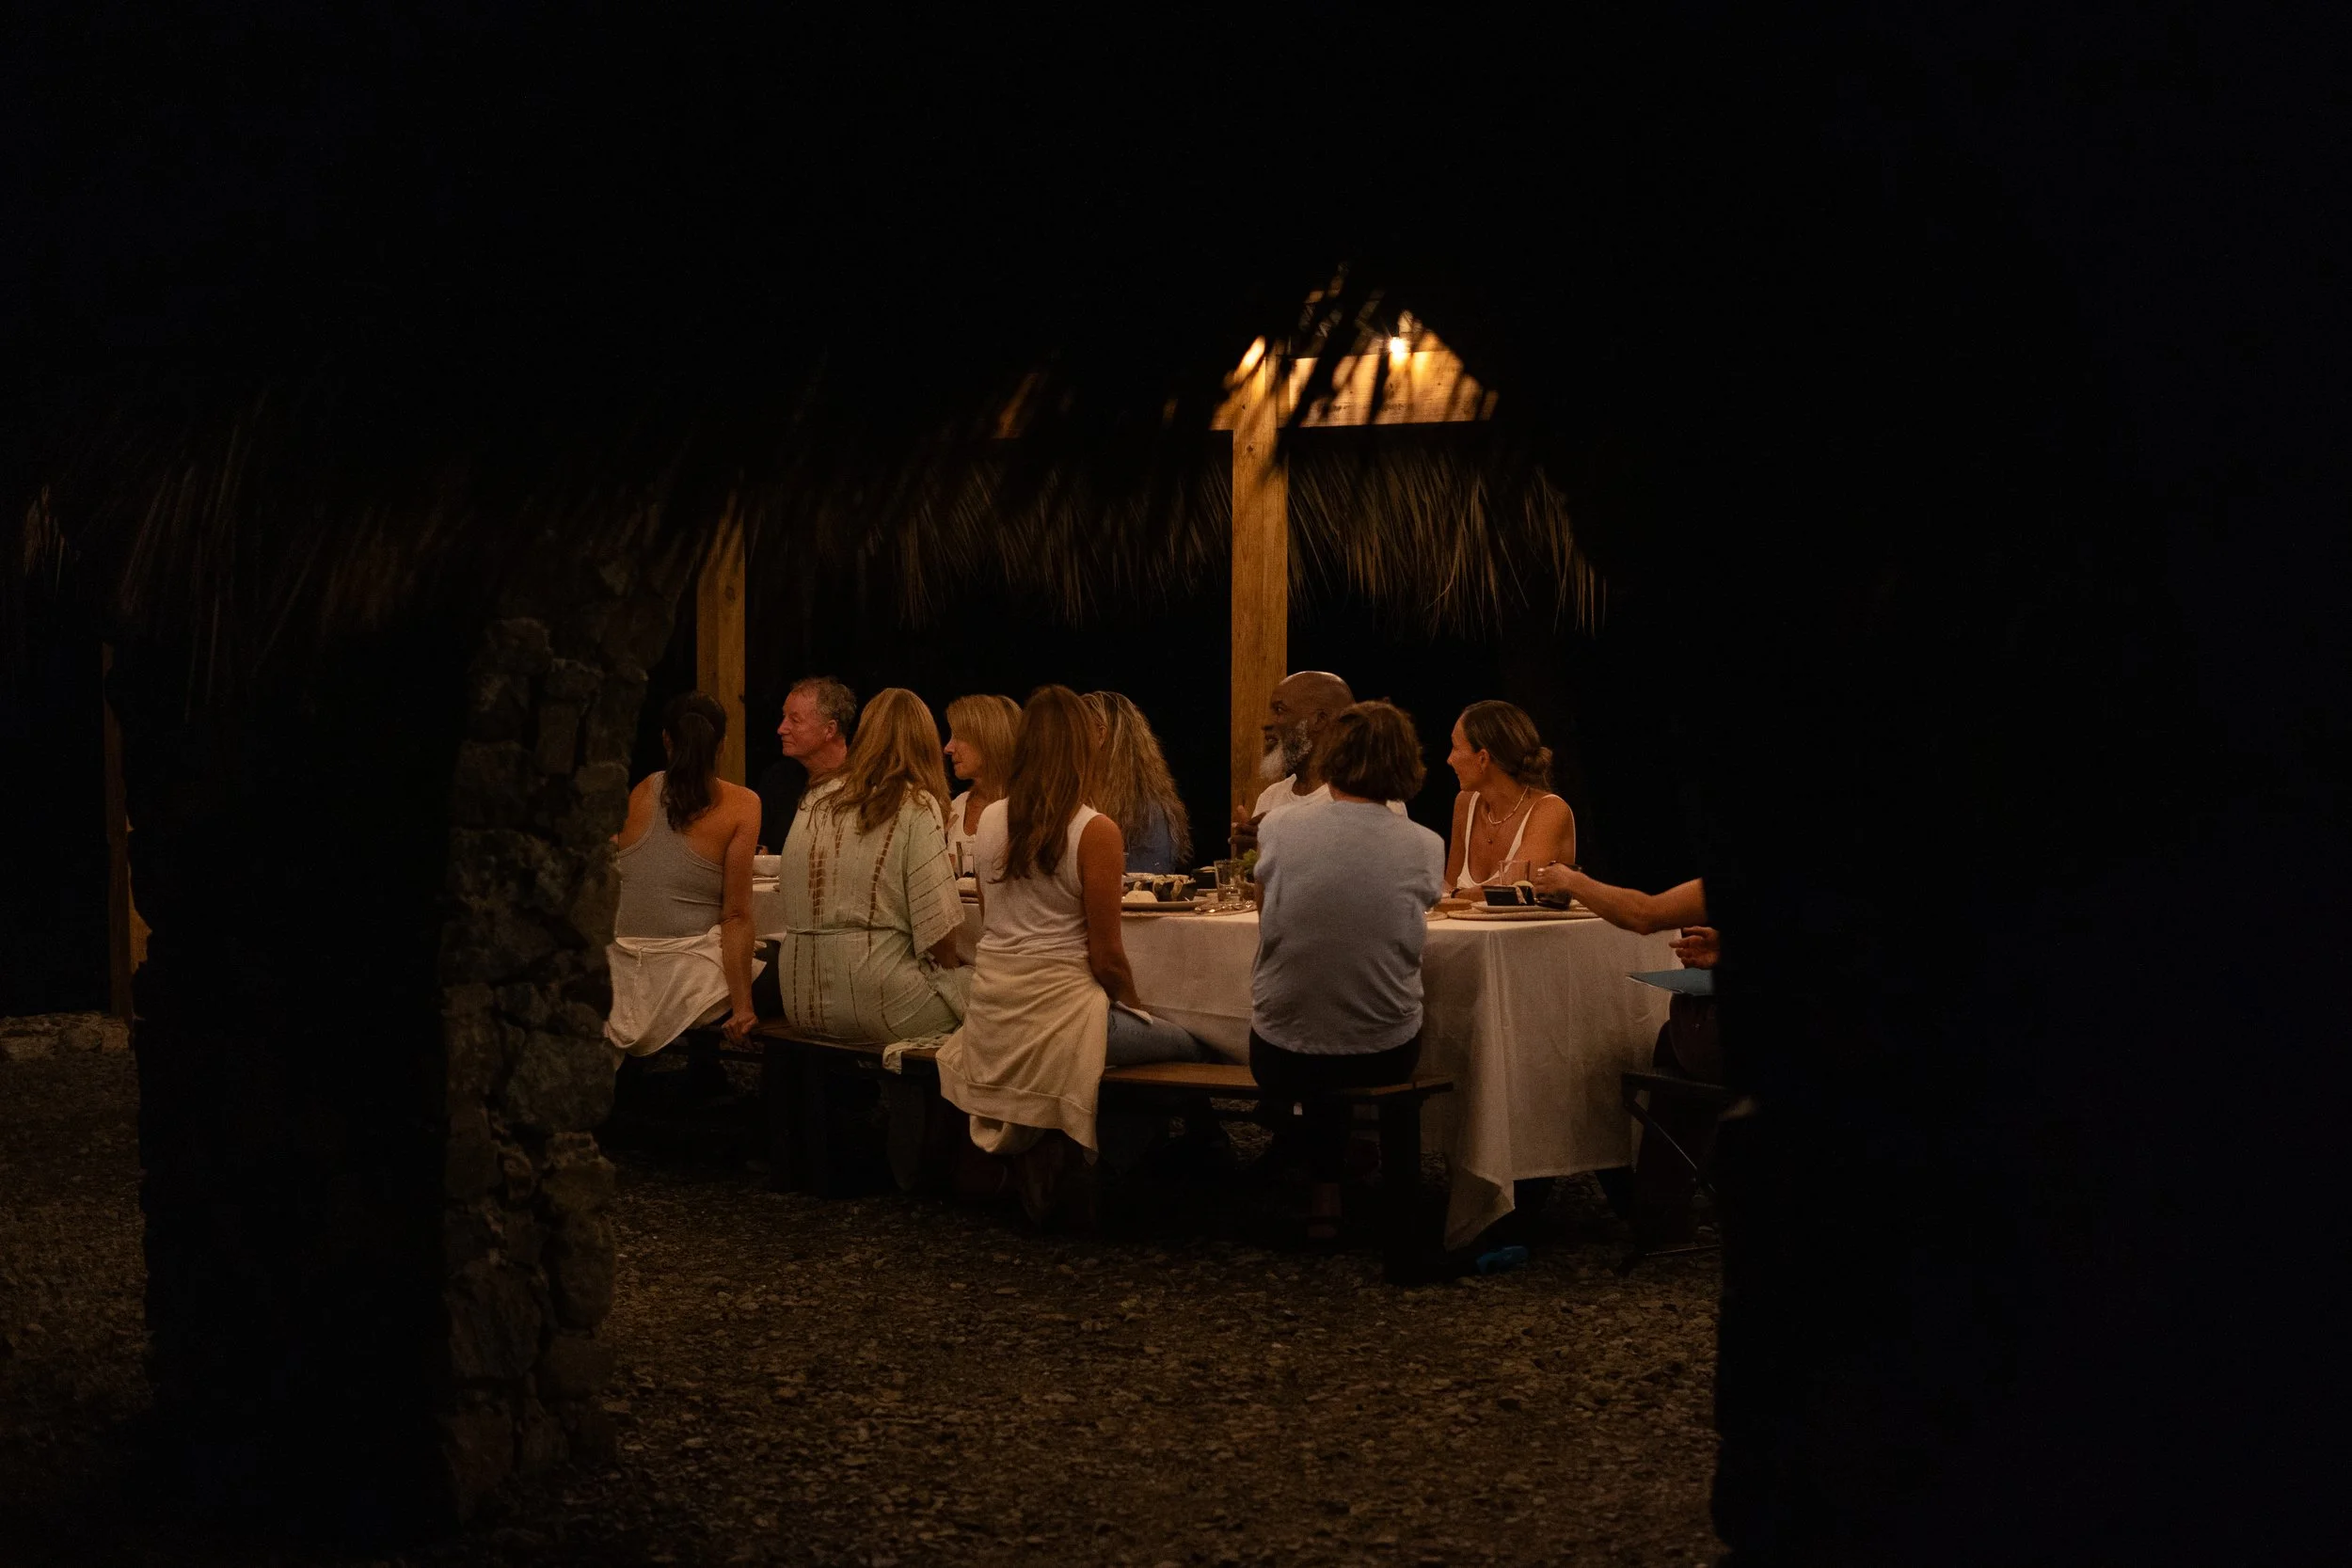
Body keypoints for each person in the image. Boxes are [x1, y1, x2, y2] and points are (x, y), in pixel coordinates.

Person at [935, 686, 1206, 1213]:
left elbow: (993, 921)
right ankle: (1120, 1158)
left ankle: (1070, 1151)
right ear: (1084, 749)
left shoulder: (990, 819)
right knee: (1194, 1043)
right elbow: (1105, 955)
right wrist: (1136, 1008)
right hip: (1061, 1016)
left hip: (996, 1012)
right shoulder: (1093, 829)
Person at [1248, 700, 1448, 1241]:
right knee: (1365, 1009)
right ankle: (1400, 1192)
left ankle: (1324, 1195)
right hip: (1384, 1052)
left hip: (1278, 1054)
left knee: (1315, 1013)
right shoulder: (1424, 845)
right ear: (1407, 764)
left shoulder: (1280, 828)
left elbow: (1266, 915)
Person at [771, 688, 969, 1044]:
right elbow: (939, 931)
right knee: (992, 995)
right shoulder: (914, 803)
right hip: (878, 1002)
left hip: (799, 1000)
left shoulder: (815, 800)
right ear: (927, 742)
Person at [605, 691, 764, 1056]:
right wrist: (743, 1008)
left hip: (625, 966)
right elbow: (736, 916)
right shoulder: (743, 804)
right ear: (722, 745)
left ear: (665, 740)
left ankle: (702, 1075)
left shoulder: (644, 791)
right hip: (683, 975)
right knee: (784, 972)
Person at [1231, 670, 1406, 853]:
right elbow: (1263, 881)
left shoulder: (1371, 798)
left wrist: (1281, 841)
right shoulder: (1271, 797)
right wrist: (1248, 853)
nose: (1266, 723)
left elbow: (1376, 876)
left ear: (1319, 720)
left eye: (1279, 710)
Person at [1444, 700, 1576, 891]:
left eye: (1455, 747)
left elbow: (1513, 888)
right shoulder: (1465, 803)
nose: (1449, 760)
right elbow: (1449, 886)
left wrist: (1455, 897)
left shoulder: (1551, 811)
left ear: (1482, 759)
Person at [1085, 690, 1192, 873]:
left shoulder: (1145, 812)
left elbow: (1142, 887)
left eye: (1077, 731)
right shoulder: (1123, 803)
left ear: (1101, 735)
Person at [757, 674, 856, 851]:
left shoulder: (864, 782)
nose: (781, 729)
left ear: (830, 729)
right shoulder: (777, 780)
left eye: (794, 720)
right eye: (784, 717)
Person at [943, 692, 1021, 875]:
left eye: (958, 737)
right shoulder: (955, 808)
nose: (948, 748)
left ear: (989, 739)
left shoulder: (1025, 811)